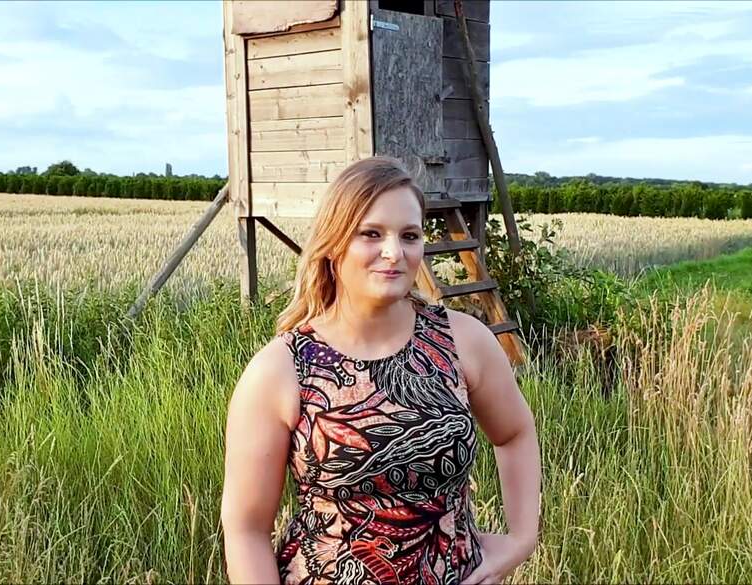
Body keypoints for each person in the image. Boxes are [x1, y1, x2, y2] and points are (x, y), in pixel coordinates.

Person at [221, 156, 541, 584]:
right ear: (333, 243)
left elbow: (515, 432)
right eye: (371, 234)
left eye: (409, 235)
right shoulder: (281, 370)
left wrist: (521, 538)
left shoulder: (463, 341)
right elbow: (246, 530)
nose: (394, 253)